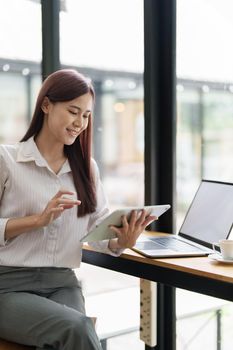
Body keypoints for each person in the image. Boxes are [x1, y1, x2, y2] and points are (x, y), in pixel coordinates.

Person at [0, 69, 156, 350]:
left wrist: (122, 240)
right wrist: (37, 220)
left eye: (86, 116)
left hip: (62, 282)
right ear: (46, 105)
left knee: (71, 334)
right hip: (7, 285)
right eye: (73, 111)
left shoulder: (86, 169)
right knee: (78, 328)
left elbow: (98, 229)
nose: (80, 123)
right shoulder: (6, 160)